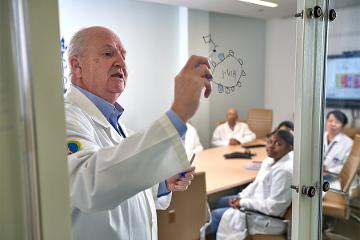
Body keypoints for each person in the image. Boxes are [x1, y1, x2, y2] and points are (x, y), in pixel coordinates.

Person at [65, 26, 212, 240]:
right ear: (77, 66)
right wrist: (178, 112)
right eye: (108, 53)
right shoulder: (65, 118)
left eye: (123, 56)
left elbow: (122, 182)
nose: (121, 63)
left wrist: (161, 183)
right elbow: (89, 183)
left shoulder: (118, 126)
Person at [207, 130, 293, 240]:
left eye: (278, 144)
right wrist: (240, 196)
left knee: (216, 215)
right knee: (220, 201)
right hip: (256, 205)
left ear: (290, 148)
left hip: (266, 219)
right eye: (270, 141)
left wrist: (243, 202)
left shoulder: (285, 171)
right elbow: (256, 184)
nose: (271, 146)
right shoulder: (269, 161)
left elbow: (274, 208)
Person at [323, 110, 353, 176]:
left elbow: (346, 166)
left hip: (334, 177)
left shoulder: (349, 143)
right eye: (330, 121)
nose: (333, 124)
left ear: (343, 126)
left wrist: (328, 171)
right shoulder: (319, 137)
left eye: (337, 122)